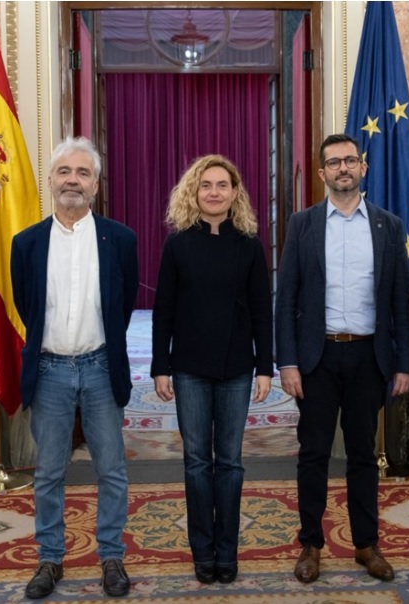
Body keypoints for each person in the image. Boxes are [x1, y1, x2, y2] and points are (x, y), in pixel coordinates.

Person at [276, 133, 409, 584]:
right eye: (334, 162)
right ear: (321, 174)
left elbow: (401, 301)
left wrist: (405, 363)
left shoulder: (389, 226)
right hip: (316, 359)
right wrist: (288, 362)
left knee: (362, 454)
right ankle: (311, 546)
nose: (343, 168)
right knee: (313, 453)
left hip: (369, 357)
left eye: (350, 160)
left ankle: (365, 544)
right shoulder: (303, 224)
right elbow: (287, 298)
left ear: (363, 168)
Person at [11, 136, 139, 599]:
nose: (73, 180)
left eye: (83, 173)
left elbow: (122, 308)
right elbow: (29, 308)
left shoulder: (121, 239)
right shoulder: (25, 244)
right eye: (65, 171)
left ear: (96, 185)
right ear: (50, 181)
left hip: (102, 367)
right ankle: (50, 559)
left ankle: (111, 557)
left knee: (112, 469)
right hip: (49, 371)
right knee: (48, 472)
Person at [151, 155, 273, 585]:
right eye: (207, 185)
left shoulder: (250, 245)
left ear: (236, 193)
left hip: (239, 368)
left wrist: (265, 368)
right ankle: (203, 551)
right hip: (188, 369)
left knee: (232, 463)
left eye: (223, 185)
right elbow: (162, 309)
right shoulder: (178, 244)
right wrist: (159, 366)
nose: (215, 192)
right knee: (198, 461)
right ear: (194, 192)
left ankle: (228, 549)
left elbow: (263, 311)